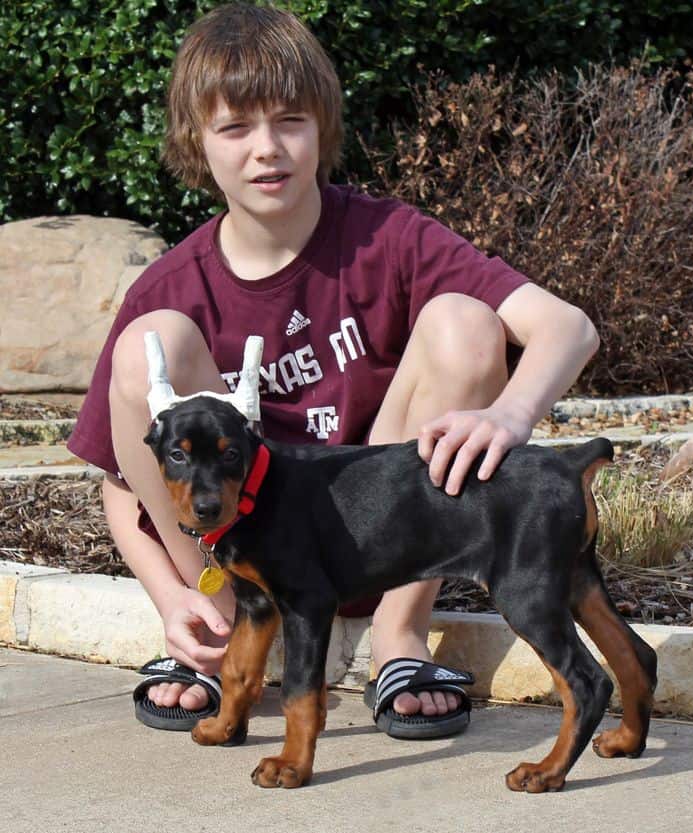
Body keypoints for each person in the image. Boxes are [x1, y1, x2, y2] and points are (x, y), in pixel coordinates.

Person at [68, 1, 599, 738]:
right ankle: (215, 633)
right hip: (243, 559)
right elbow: (119, 483)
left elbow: (568, 328)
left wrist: (509, 416)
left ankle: (399, 638)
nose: (267, 150)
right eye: (235, 127)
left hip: (379, 536)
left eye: (290, 120)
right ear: (198, 140)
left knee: (467, 324)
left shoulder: (388, 238)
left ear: (323, 123)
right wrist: (168, 596)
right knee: (147, 346)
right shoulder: (171, 286)